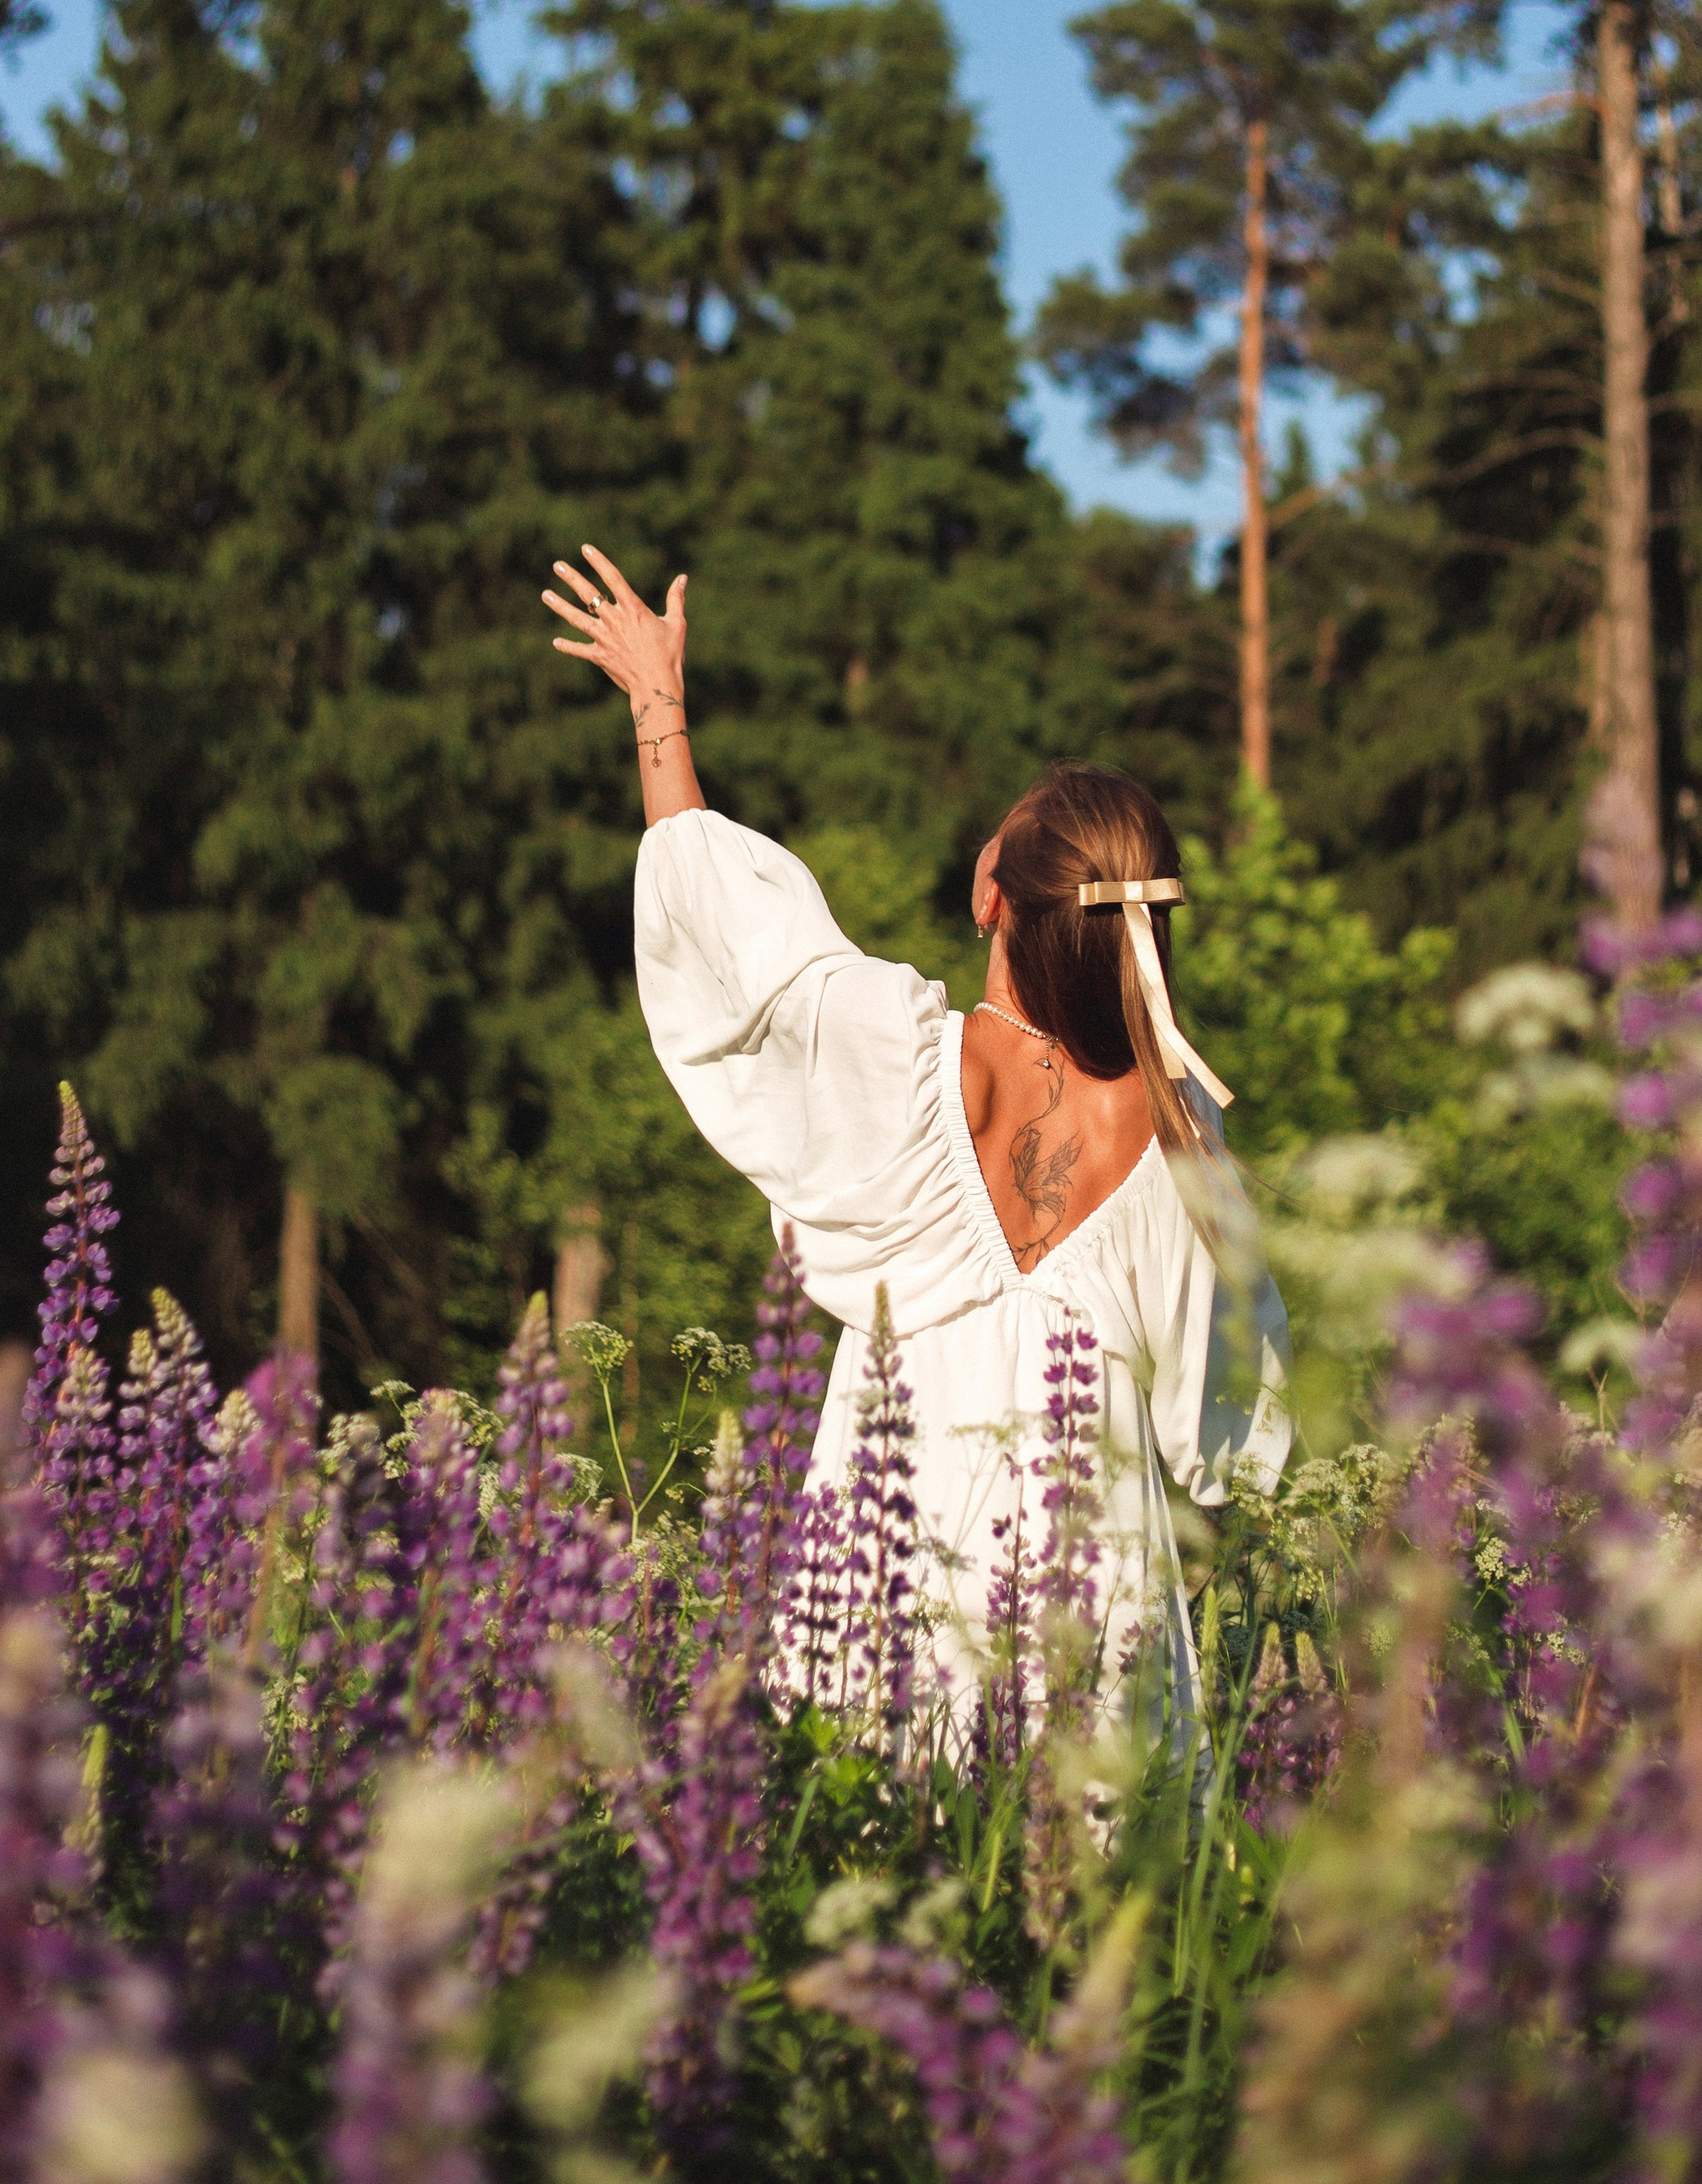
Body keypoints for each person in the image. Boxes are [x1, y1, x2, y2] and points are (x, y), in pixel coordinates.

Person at [540, 543, 1292, 1732]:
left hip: (893, 1555)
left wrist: (658, 706)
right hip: (1099, 1597)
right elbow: (1228, 1438)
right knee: (1092, 1837)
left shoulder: (898, 1055)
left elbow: (738, 938)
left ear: (993, 896)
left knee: (874, 1821)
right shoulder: (1183, 1135)